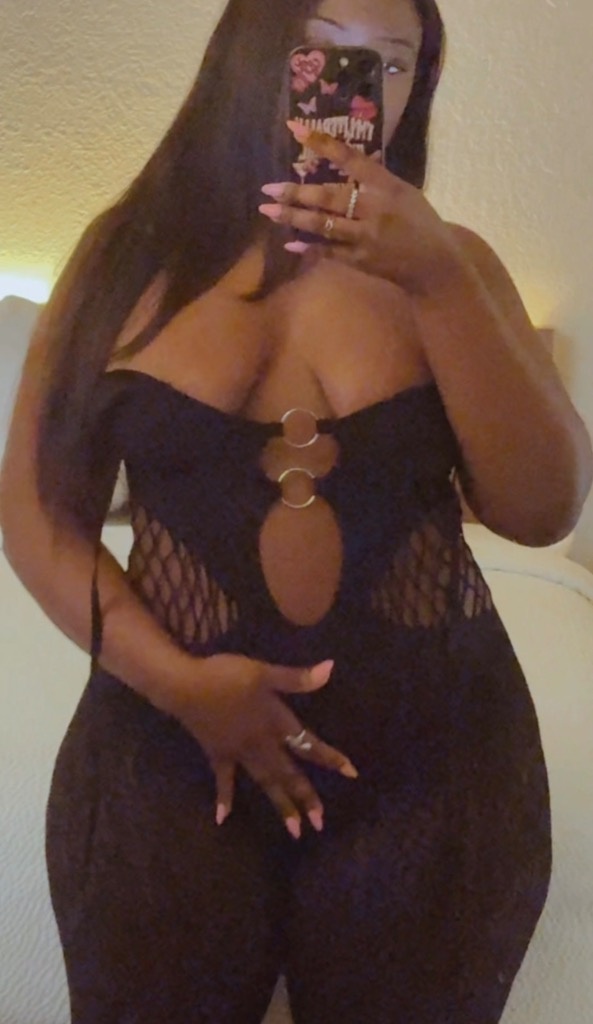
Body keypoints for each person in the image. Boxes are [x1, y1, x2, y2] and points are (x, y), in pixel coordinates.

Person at [1, 0, 592, 1021]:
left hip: (435, 758)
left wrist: (439, 281)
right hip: (165, 743)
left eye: (393, 63)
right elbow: (39, 513)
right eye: (323, 47)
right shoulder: (123, 255)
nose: (359, 84)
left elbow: (542, 512)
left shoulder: (452, 264)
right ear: (254, 50)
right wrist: (181, 685)